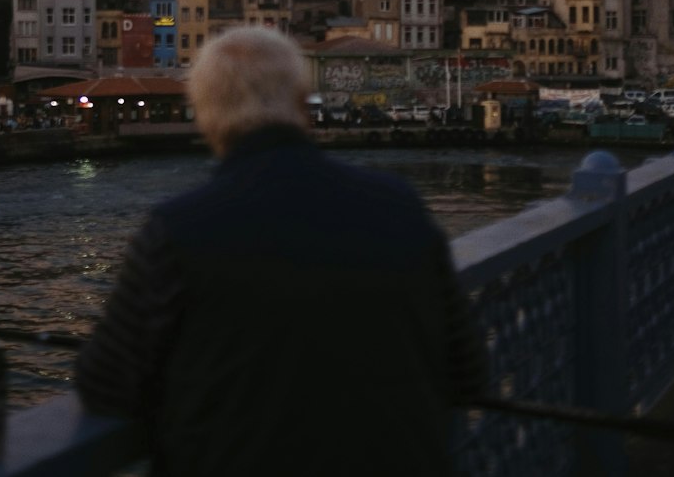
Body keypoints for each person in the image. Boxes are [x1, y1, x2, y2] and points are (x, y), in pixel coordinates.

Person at [75, 27, 488, 476]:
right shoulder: (401, 207)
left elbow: (106, 382)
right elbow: (466, 369)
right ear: (300, 102)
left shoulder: (177, 231)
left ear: (206, 115)